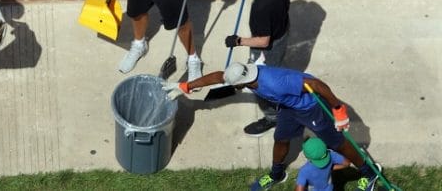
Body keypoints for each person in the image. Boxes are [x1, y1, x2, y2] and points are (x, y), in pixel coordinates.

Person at [161, 63, 379, 191]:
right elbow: (219, 76)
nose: (228, 83)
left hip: (310, 107)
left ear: (241, 83)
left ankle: (369, 172)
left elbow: (315, 84)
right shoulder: (247, 73)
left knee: (338, 143)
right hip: (289, 107)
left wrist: (338, 109)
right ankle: (277, 174)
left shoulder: (277, 81)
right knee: (281, 139)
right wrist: (187, 86)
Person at [224, 0, 297, 136]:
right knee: (276, 67)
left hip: (269, 46)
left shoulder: (262, 7)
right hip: (283, 30)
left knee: (261, 81)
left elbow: (264, 42)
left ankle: (273, 117)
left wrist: (238, 41)